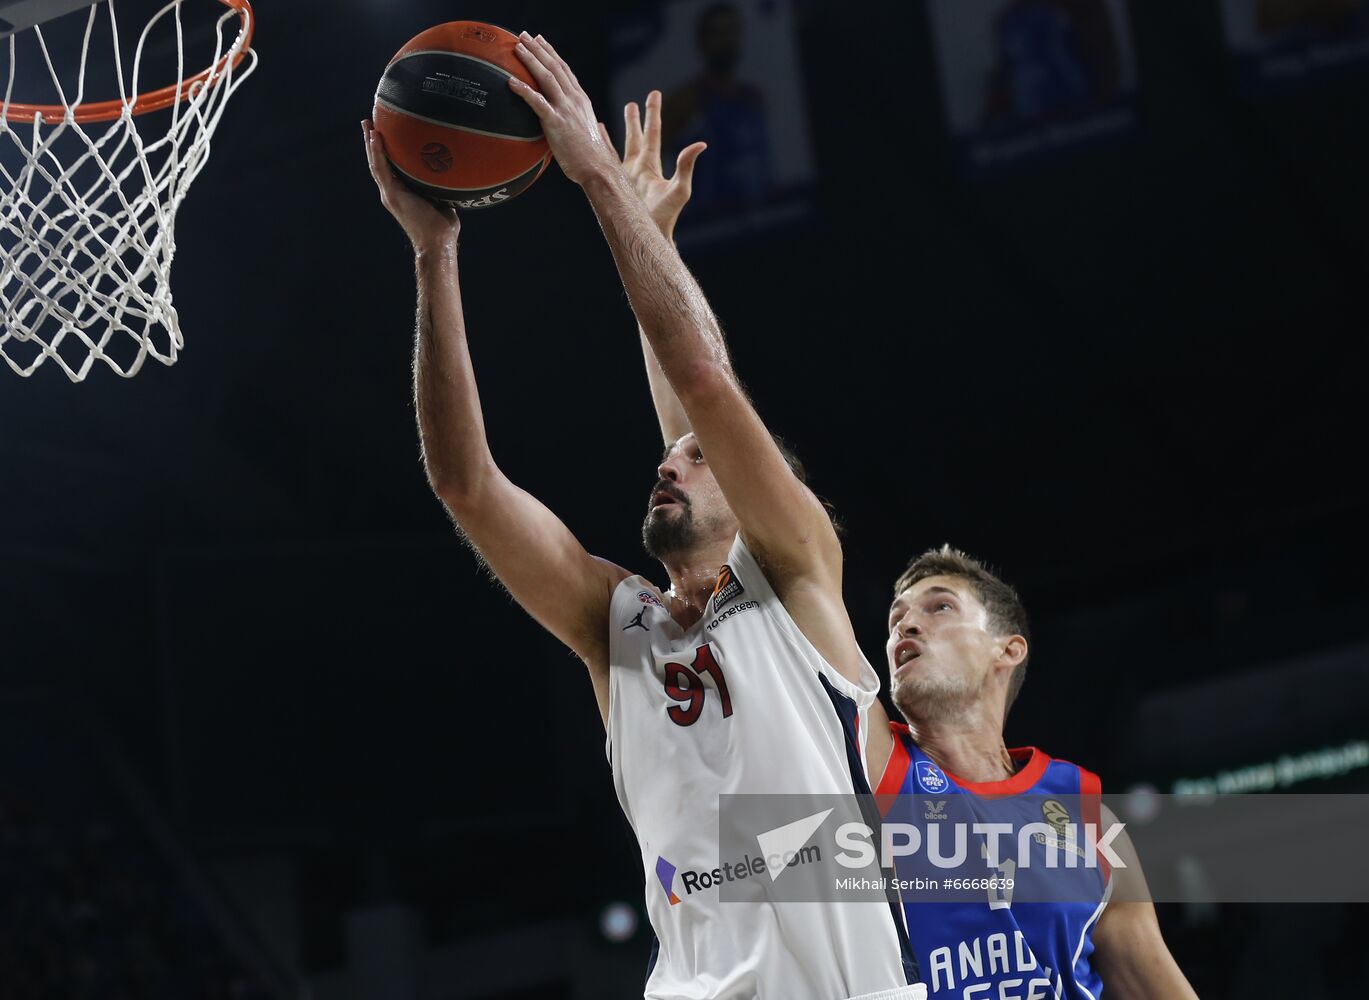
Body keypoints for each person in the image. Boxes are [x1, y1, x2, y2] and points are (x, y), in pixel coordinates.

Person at [361, 31, 923, 1000]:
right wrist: (434, 252)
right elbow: (465, 483)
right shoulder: (615, 626)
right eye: (664, 456)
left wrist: (601, 185)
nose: (669, 458)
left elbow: (700, 382)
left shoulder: (794, 579)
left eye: (694, 457)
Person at [621, 91, 1195, 999]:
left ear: (1010, 649)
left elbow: (1149, 978)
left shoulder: (1084, 815)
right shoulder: (870, 766)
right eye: (894, 612)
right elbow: (706, 448)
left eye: (935, 606)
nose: (902, 625)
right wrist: (651, 246)